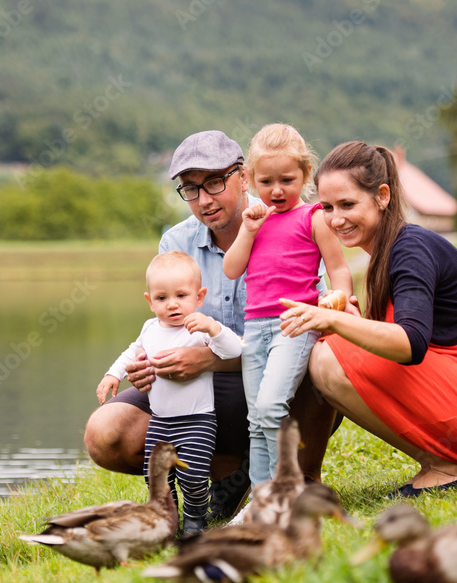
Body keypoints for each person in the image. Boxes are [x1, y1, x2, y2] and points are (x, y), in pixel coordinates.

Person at [84, 130, 339, 522]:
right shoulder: (176, 241)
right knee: (105, 432)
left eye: (215, 183)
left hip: (281, 372)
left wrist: (209, 358)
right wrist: (145, 362)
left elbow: (312, 316)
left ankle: (302, 477)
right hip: (199, 392)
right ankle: (224, 474)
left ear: (242, 178)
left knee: (319, 350)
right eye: (190, 189)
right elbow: (164, 325)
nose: (204, 200)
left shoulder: (290, 221)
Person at [280, 140, 457, 497]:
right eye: (326, 207)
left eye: (347, 204)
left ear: (383, 196)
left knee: (326, 357)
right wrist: (352, 320)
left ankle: (447, 465)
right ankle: (303, 480)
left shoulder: (410, 248)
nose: (335, 219)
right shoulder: (387, 252)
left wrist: (337, 323)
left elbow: (411, 344)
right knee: (331, 346)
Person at [222, 123, 355, 494]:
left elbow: (338, 267)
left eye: (286, 179)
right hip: (255, 329)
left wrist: (339, 302)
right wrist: (247, 231)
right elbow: (232, 269)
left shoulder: (313, 217)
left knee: (269, 406)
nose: (276, 190)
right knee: (255, 419)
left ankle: (285, 491)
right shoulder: (253, 221)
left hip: (294, 325)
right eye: (266, 181)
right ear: (249, 179)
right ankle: (262, 500)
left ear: (306, 175)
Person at [97, 251, 242, 535]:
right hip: (160, 421)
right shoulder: (150, 328)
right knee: (157, 476)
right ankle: (167, 516)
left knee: (194, 476)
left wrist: (214, 329)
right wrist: (113, 374)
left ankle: (194, 519)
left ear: (199, 297)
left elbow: (234, 350)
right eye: (162, 298)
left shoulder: (199, 328)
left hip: (197, 421)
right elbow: (131, 351)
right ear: (150, 302)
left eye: (181, 296)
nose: (173, 305)